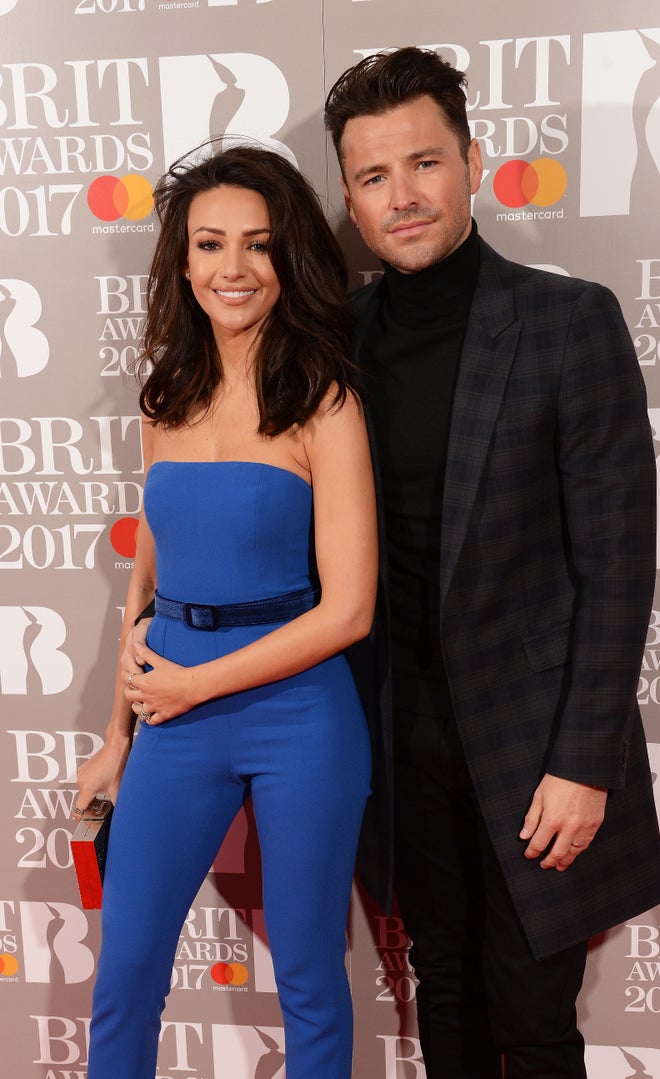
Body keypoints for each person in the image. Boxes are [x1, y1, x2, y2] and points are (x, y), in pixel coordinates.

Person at [321, 47, 660, 1078]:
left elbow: (617, 563)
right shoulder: (336, 340)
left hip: (535, 749)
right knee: (448, 991)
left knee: (534, 1014)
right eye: (375, 177)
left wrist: (583, 761)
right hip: (397, 738)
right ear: (349, 196)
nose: (403, 196)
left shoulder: (567, 322)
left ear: (473, 163)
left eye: (424, 163)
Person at [73, 142, 377, 1079]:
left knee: (310, 978)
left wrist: (197, 682)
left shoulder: (324, 398)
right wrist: (116, 733)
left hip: (299, 711)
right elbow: (148, 582)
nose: (233, 268)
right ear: (183, 261)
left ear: (288, 258)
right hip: (171, 705)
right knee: (124, 969)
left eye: (258, 244)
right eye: (211, 244)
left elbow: (351, 610)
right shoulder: (164, 392)